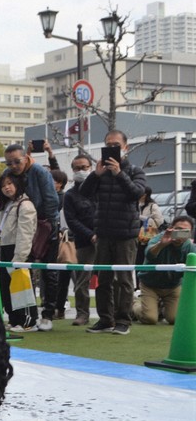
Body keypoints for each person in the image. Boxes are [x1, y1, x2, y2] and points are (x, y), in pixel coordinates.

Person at [80, 129, 147, 335]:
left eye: (116, 145)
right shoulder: (100, 172)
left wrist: (119, 173)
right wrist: (95, 174)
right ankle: (105, 319)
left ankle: (123, 320)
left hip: (126, 234)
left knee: (124, 280)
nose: (111, 148)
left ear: (125, 147)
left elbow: (136, 193)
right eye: (108, 145)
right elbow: (83, 193)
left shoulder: (135, 170)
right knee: (103, 279)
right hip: (103, 232)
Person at [2, 143, 60, 332]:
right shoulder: (7, 174)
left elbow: (52, 200)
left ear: (26, 158)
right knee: (23, 272)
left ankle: (48, 314)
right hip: (20, 229)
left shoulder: (40, 172)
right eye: (9, 163)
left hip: (44, 225)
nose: (13, 166)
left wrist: (50, 227)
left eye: (16, 161)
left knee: (49, 271)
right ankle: (27, 316)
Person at [0, 173, 39, 332]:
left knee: (22, 287)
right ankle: (14, 320)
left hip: (18, 251)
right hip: (5, 249)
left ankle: (28, 321)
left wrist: (19, 258)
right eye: (3, 185)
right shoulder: (6, 205)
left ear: (17, 184)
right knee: (7, 287)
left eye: (9, 183)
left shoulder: (25, 205)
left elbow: (25, 234)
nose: (6, 188)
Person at [132, 215, 196, 325]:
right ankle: (133, 304)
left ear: (190, 233)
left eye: (185, 231)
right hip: (150, 285)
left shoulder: (189, 246)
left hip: (173, 286)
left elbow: (191, 269)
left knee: (175, 319)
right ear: (171, 228)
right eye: (178, 229)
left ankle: (160, 308)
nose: (180, 234)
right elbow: (149, 254)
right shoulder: (159, 238)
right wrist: (161, 244)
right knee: (150, 318)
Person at [63, 155, 96, 326]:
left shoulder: (100, 188)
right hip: (83, 241)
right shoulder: (70, 195)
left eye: (84, 167)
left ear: (91, 167)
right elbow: (71, 220)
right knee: (82, 280)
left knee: (109, 278)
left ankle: (110, 314)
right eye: (77, 168)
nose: (81, 170)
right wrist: (90, 235)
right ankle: (82, 313)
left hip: (105, 240)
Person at [50, 169, 71, 320]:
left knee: (63, 275)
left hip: (64, 240)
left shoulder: (64, 198)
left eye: (55, 181)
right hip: (50, 240)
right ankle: (51, 305)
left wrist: (60, 230)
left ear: (61, 184)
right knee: (49, 275)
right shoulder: (47, 196)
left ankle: (60, 306)